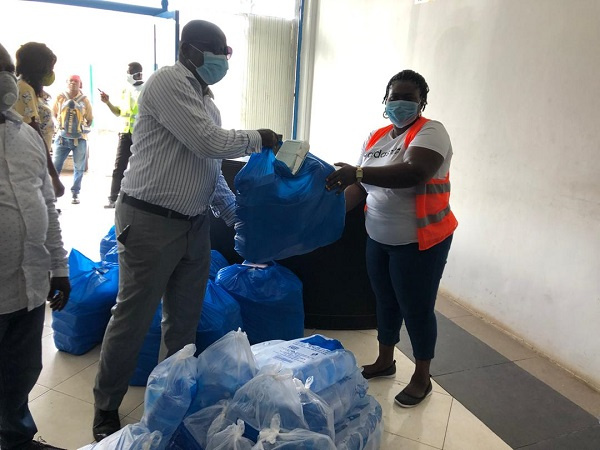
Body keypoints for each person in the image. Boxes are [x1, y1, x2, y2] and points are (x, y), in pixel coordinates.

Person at [92, 19, 281, 441]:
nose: (224, 59)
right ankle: (106, 404)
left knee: (182, 322)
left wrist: (235, 218)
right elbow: (207, 142)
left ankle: (169, 399)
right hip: (149, 221)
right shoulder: (167, 82)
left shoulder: (207, 101)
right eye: (220, 51)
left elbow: (208, 168)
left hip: (193, 225)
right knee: (133, 316)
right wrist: (260, 138)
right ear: (193, 50)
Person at [326, 69, 457, 408]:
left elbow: (415, 172)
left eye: (408, 97)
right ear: (384, 101)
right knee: (383, 301)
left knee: (416, 308)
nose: (400, 103)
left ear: (422, 102)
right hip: (379, 237)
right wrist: (328, 215)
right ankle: (385, 360)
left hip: (420, 242)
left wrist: (357, 172)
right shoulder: (376, 136)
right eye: (394, 96)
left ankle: (422, 376)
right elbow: (359, 187)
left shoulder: (430, 132)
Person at [0, 42, 71, 450]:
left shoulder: (27, 135)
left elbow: (46, 205)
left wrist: (59, 268)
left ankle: (17, 439)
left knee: (21, 372)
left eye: (6, 68)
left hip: (28, 288)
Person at [13, 42, 65, 198]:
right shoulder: (24, 89)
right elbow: (35, 132)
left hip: (34, 162)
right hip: (28, 164)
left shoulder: (29, 88)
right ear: (38, 67)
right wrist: (54, 176)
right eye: (50, 67)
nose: (51, 72)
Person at [100, 62, 144, 209]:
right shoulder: (125, 90)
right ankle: (113, 198)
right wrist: (107, 102)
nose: (127, 74)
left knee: (140, 166)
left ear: (137, 73)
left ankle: (138, 198)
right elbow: (118, 112)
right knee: (119, 166)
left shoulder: (145, 90)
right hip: (125, 133)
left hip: (140, 134)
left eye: (129, 71)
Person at [52, 74, 94, 204]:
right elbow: (53, 113)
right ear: (66, 82)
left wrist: (82, 128)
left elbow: (90, 118)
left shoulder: (85, 100)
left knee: (79, 168)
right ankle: (52, 192)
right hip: (62, 138)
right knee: (55, 166)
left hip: (79, 139)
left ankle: (75, 193)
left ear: (80, 83)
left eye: (76, 81)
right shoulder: (60, 97)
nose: (73, 83)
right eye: (70, 81)